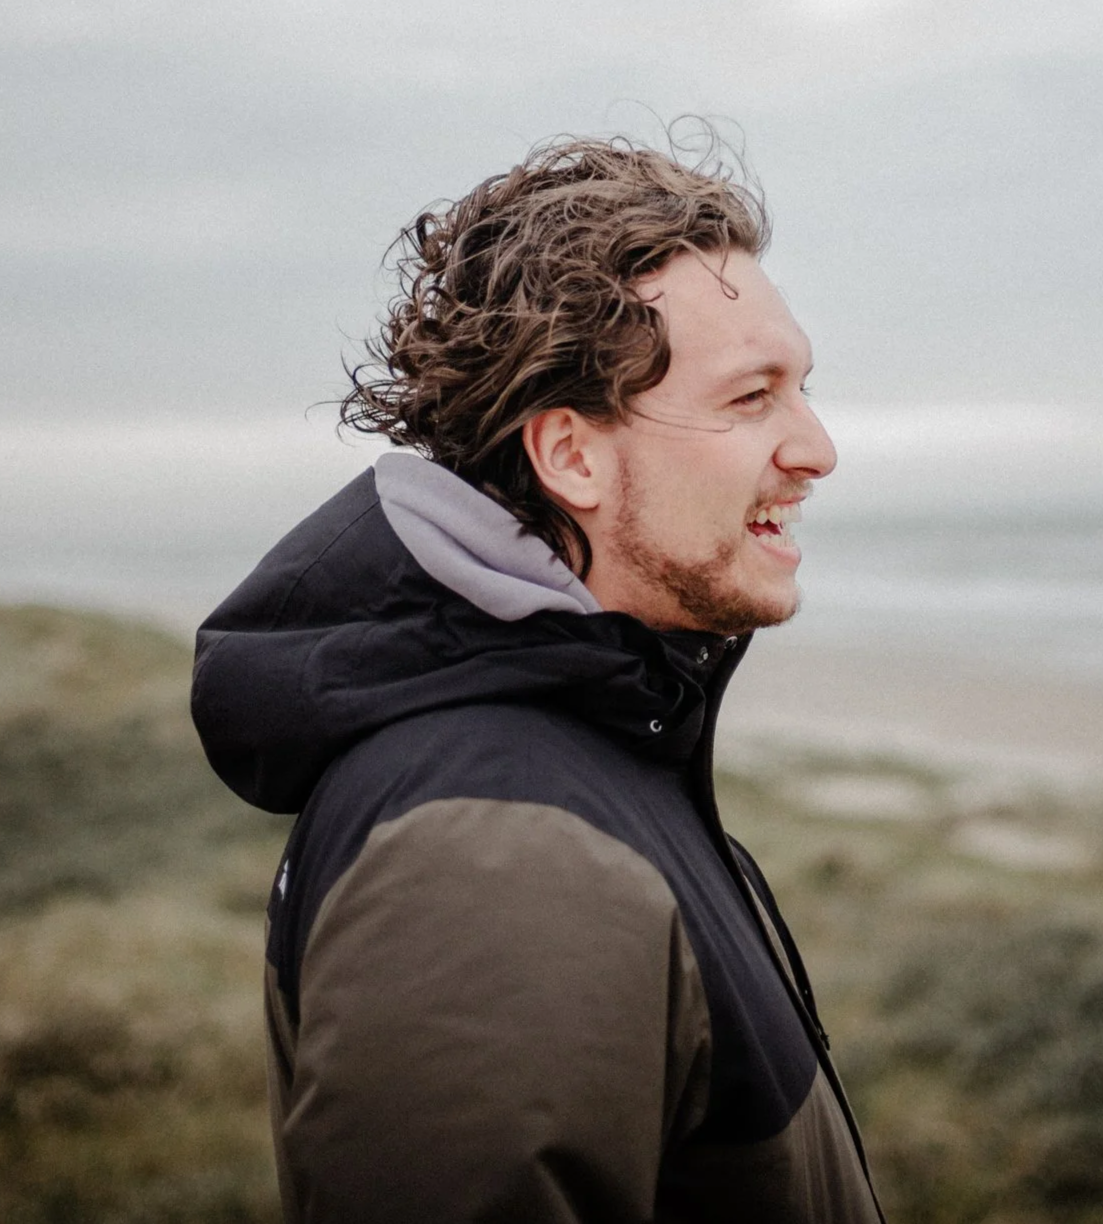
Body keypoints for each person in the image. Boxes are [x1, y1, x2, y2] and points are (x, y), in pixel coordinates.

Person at [191, 134, 885, 1224]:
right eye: (752, 398)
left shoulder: (595, 738)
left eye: (801, 389)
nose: (817, 448)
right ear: (571, 456)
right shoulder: (490, 843)